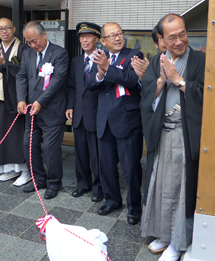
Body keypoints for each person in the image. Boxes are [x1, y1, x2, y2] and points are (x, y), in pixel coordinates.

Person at [140, 14, 205, 261]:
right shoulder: (157, 61)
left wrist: (179, 81)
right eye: (172, 37)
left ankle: (178, 242)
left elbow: (207, 95)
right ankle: (163, 234)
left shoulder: (200, 59)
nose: (179, 41)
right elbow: (147, 97)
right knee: (160, 185)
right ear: (161, 40)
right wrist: (160, 81)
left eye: (182, 34)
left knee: (181, 189)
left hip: (184, 135)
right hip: (161, 133)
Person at [85, 22, 144, 225]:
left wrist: (107, 68)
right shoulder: (99, 57)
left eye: (119, 33)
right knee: (107, 166)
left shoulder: (134, 54)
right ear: (103, 40)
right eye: (112, 35)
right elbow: (90, 84)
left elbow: (131, 79)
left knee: (131, 167)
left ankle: (135, 206)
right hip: (104, 120)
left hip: (127, 120)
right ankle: (112, 200)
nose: (118, 38)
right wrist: (100, 73)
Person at [16, 21, 69, 200]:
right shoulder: (28, 53)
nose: (32, 45)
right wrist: (22, 99)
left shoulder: (60, 54)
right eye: (29, 42)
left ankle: (54, 182)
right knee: (28, 145)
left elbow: (57, 82)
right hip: (31, 111)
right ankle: (38, 179)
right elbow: (22, 76)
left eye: (35, 41)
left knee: (51, 148)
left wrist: (40, 101)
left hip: (52, 110)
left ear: (44, 34)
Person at [0, 18, 31, 186]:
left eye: (7, 28)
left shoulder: (23, 49)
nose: (4, 31)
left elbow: (25, 73)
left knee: (18, 136)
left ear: (14, 29)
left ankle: (25, 170)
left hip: (17, 99)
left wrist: (5, 65)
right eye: (0, 29)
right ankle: (9, 169)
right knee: (1, 134)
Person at [66, 22, 103, 202]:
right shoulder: (76, 61)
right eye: (82, 37)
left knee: (97, 155)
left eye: (88, 36)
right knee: (80, 153)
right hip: (78, 114)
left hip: (97, 114)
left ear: (96, 38)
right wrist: (70, 106)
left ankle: (99, 187)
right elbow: (72, 86)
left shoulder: (103, 59)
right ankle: (83, 184)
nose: (85, 40)